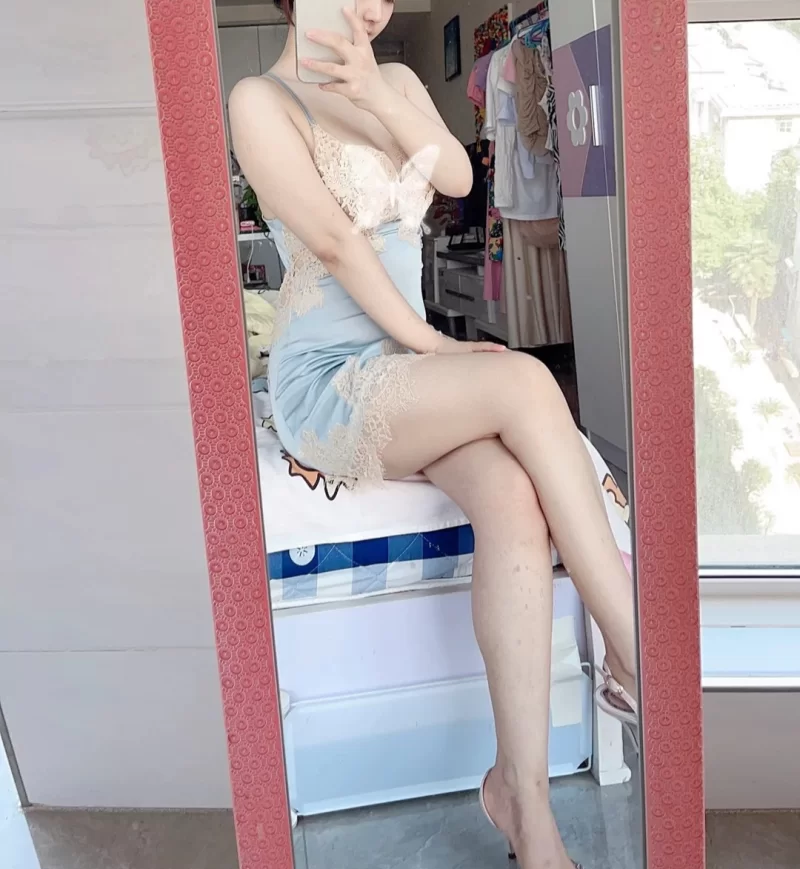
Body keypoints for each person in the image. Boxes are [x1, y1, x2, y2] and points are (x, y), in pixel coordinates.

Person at [228, 3, 637, 867]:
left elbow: (454, 177)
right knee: (524, 378)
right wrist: (435, 344)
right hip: (330, 378)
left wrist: (378, 93)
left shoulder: (396, 78)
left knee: (514, 497)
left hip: (408, 367)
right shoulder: (260, 100)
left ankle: (523, 800)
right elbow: (336, 242)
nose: (375, 5)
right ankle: (639, 655)